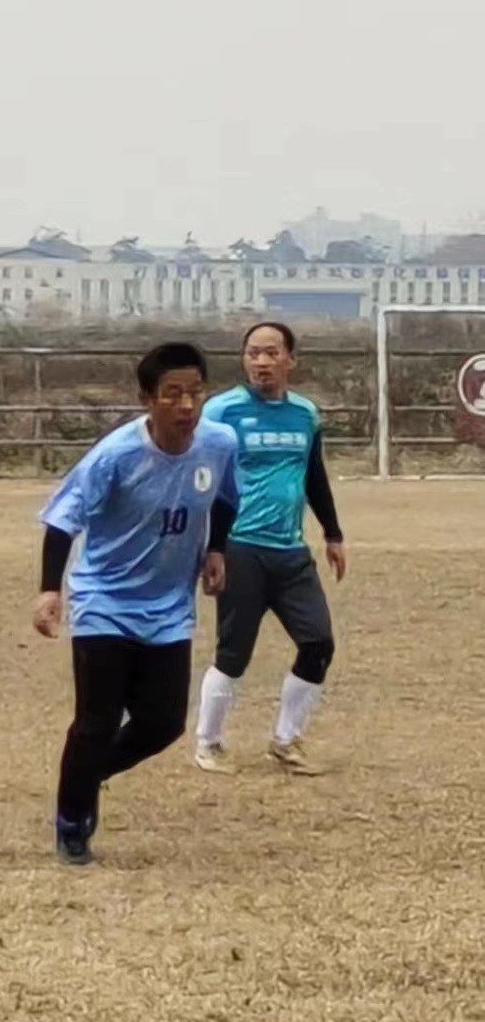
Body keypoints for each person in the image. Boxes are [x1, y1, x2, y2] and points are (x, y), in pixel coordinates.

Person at [33, 342, 239, 865]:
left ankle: (89, 772)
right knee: (96, 721)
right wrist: (50, 590)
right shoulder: (116, 455)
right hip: (105, 599)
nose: (186, 405)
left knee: (164, 722)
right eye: (172, 394)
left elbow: (224, 496)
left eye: (195, 392)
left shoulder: (219, 443)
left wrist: (216, 549)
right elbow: (62, 519)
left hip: (169, 605)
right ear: (147, 398)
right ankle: (71, 821)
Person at [192, 322, 344, 777]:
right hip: (240, 547)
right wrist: (209, 547)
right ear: (244, 359)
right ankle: (209, 742)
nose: (262, 362)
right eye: (253, 353)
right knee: (234, 653)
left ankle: (286, 740)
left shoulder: (305, 415)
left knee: (318, 642)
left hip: (291, 551)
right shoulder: (221, 412)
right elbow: (202, 478)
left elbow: (314, 475)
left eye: (271, 353)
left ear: (290, 360)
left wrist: (333, 533)